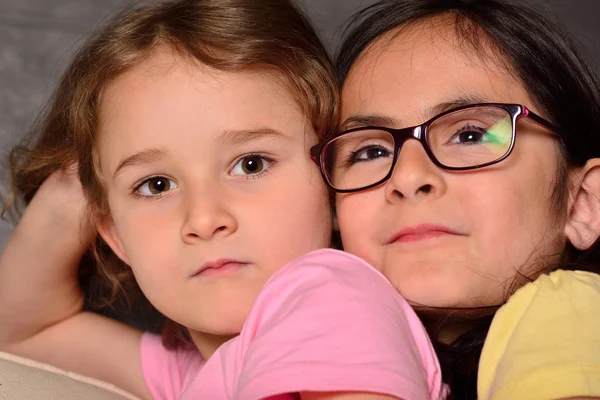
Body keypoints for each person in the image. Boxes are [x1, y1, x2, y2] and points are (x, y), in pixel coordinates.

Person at [0, 0, 448, 399]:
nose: (204, 218)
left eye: (250, 164)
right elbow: (22, 332)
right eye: (156, 185)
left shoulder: (331, 300)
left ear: (331, 179)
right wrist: (78, 175)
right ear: (116, 236)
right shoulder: (195, 367)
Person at [309, 0, 600, 398]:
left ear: (583, 202)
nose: (409, 177)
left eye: (470, 134)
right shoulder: (307, 340)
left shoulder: (576, 321)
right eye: (371, 152)